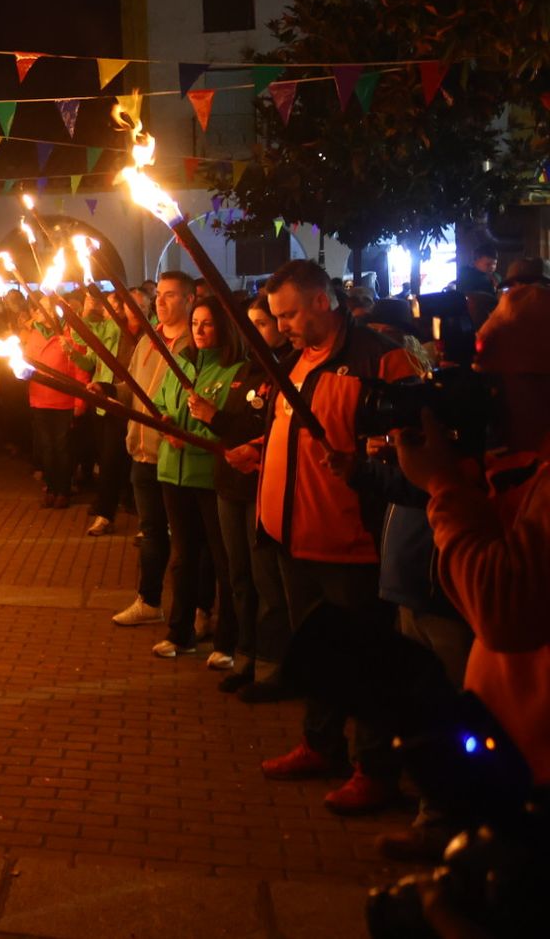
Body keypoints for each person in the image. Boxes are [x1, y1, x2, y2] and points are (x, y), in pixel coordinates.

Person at [254, 259, 416, 815]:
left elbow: (412, 450)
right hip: (294, 536)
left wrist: (367, 465)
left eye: (291, 314)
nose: (284, 326)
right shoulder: (295, 361)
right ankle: (321, 744)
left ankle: (376, 768)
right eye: (277, 317)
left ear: (323, 300)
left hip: (350, 543)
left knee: (365, 659)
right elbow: (289, 429)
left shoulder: (380, 360)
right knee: (318, 654)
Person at [395, 283, 550, 790]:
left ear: (535, 381)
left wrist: (442, 484)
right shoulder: (523, 465)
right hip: (514, 755)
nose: (485, 398)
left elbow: (502, 609)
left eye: (491, 383)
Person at [197, 292, 293, 702]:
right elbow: (235, 427)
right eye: (250, 324)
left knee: (265, 580)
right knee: (238, 578)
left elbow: (262, 428)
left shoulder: (284, 373)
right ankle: (245, 657)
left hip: (259, 486)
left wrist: (216, 419)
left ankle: (273, 667)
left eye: (265, 324)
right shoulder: (243, 371)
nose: (256, 332)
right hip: (229, 484)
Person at [151, 299, 244, 659]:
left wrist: (207, 425)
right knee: (183, 557)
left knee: (222, 561)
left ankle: (227, 640)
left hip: (209, 475)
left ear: (223, 327)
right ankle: (180, 632)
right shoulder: (181, 365)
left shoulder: (235, 371)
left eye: (207, 323)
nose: (199, 330)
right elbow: (159, 402)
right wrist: (166, 423)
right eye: (195, 323)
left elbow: (235, 429)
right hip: (173, 471)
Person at [112, 272, 196, 627]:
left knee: (188, 542)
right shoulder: (148, 341)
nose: (160, 301)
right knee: (151, 533)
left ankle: (195, 610)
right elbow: (131, 388)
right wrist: (106, 391)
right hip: (142, 452)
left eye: (170, 295)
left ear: (189, 300)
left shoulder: (197, 344)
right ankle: (149, 600)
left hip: (176, 457)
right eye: (159, 294)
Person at [82, 288, 134, 536]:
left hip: (137, 407)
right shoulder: (110, 331)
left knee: (139, 464)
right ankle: (105, 513)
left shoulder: (144, 335)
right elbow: (88, 343)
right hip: (110, 403)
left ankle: (143, 514)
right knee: (110, 460)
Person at [23, 308, 86, 509]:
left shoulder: (68, 334)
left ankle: (63, 490)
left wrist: (80, 401)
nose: (37, 312)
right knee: (47, 448)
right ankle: (50, 488)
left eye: (43, 309)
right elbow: (26, 363)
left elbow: (79, 368)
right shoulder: (34, 335)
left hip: (63, 401)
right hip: (40, 399)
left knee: (62, 447)